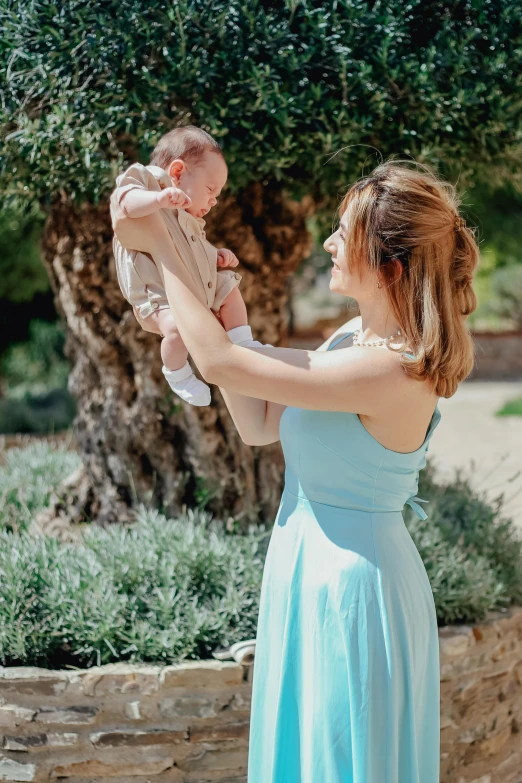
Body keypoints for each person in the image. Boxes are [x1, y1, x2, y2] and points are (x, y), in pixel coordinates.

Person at [112, 159, 479, 783]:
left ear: (390, 264)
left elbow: (222, 364)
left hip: (354, 590)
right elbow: (259, 423)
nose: (330, 243)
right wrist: (229, 309)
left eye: (344, 233)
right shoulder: (350, 342)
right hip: (308, 571)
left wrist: (167, 248)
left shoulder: (394, 369)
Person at [110, 125, 261, 407]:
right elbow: (125, 201)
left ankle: (242, 343)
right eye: (210, 189)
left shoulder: (187, 218)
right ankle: (177, 373)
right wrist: (156, 199)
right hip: (158, 296)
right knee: (176, 329)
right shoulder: (151, 182)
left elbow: (191, 251)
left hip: (194, 289)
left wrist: (215, 255)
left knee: (229, 286)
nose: (215, 200)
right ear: (177, 173)